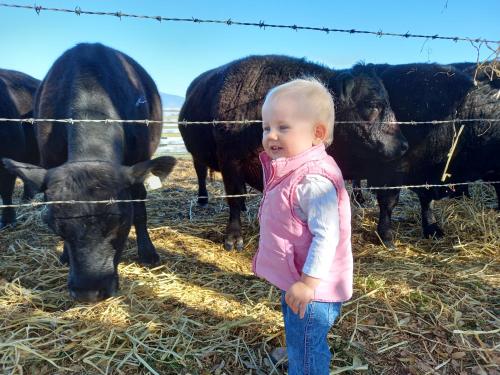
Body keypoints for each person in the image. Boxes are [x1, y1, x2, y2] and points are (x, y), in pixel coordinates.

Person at [252, 78, 353, 374]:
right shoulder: (293, 168)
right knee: (298, 323)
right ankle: (298, 346)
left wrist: (308, 284)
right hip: (297, 275)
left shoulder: (312, 180)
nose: (271, 135)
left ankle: (304, 360)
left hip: (313, 287)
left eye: (283, 127)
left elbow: (327, 237)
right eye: (266, 127)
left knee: (309, 343)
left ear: (317, 133)